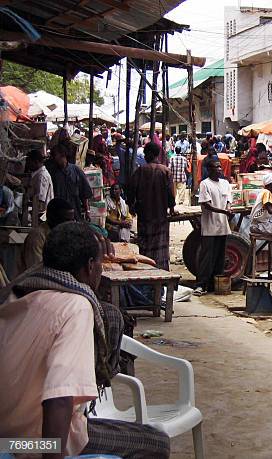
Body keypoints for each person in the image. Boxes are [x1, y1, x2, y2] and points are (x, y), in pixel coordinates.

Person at [0, 222, 170, 459]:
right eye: (100, 263)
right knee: (157, 443)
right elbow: (58, 398)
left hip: (5, 439)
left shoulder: (18, 294)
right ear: (90, 266)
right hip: (29, 444)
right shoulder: (75, 307)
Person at [127, 142, 175, 270]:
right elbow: (171, 194)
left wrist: (131, 205)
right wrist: (172, 208)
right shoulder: (165, 171)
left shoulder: (140, 171)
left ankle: (147, 270)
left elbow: (131, 192)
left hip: (144, 217)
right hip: (160, 216)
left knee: (145, 246)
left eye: (145, 153)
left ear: (149, 154)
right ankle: (161, 270)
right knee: (161, 246)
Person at [194, 160, 232, 296]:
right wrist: (224, 212)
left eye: (220, 167)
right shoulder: (205, 184)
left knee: (219, 257)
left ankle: (214, 284)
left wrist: (228, 209)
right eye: (216, 167)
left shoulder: (225, 184)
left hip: (223, 226)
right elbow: (206, 205)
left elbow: (228, 200)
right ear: (209, 170)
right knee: (206, 257)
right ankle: (200, 285)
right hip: (210, 226)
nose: (219, 169)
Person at [20, 198, 75, 271]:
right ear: (52, 218)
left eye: (72, 220)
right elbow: (36, 271)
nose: (70, 224)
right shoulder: (36, 238)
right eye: (66, 220)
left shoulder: (64, 235)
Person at [46, 142, 93, 221]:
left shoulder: (76, 170)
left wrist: (87, 211)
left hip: (75, 212)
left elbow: (84, 193)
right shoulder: (52, 172)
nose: (54, 158)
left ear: (63, 155)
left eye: (55, 155)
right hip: (58, 213)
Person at [25, 149, 54, 225]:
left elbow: (40, 201)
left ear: (36, 162)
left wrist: (36, 217)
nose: (27, 164)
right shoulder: (36, 174)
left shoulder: (41, 176)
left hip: (41, 217)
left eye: (29, 162)